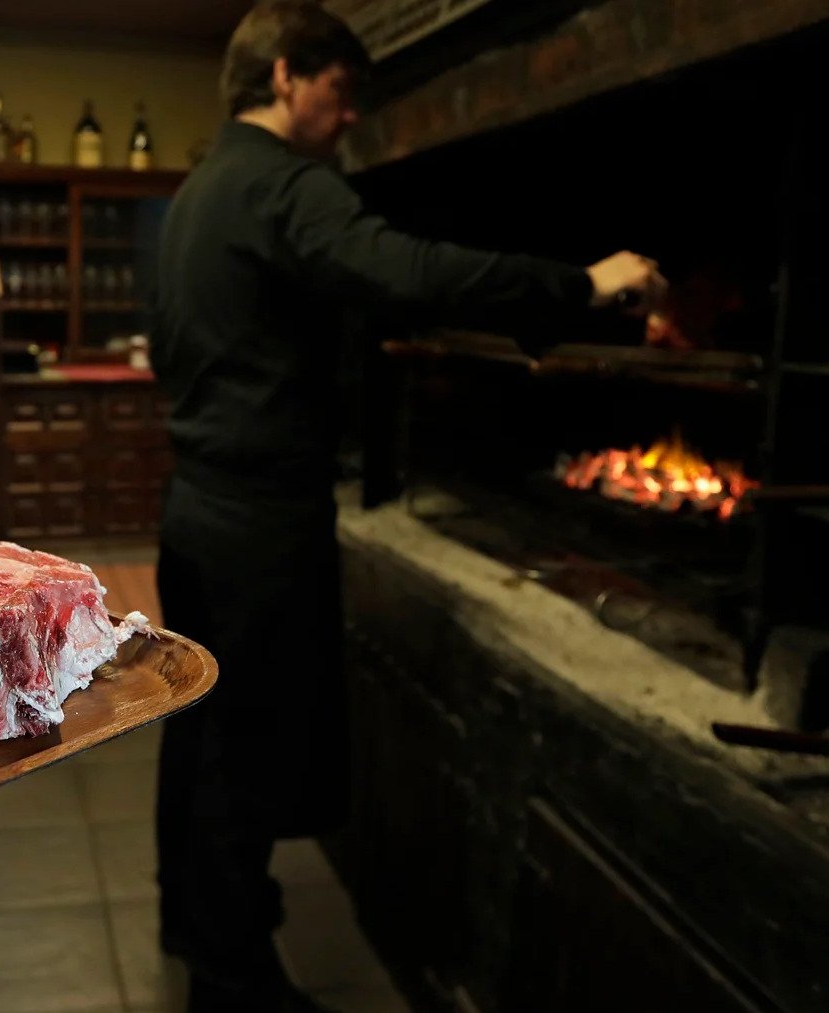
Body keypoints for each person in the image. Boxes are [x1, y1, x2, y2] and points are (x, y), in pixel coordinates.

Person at [149, 4, 666, 1011]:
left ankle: (200, 931)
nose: (349, 122)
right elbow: (410, 273)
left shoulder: (201, 191)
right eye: (342, 97)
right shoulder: (284, 187)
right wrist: (582, 284)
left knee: (201, 734)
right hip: (259, 522)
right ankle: (237, 981)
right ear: (290, 76)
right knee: (246, 749)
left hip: (196, 508)